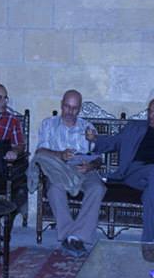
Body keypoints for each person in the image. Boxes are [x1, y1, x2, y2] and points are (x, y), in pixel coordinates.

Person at [88, 96, 154, 243]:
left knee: (150, 194)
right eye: (149, 111)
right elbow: (114, 142)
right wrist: (95, 139)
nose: (151, 115)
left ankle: (146, 243)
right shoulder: (134, 127)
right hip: (135, 173)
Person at [32, 89, 105, 257]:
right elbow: (40, 152)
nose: (70, 111)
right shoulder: (49, 124)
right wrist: (60, 155)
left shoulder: (88, 127)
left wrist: (90, 166)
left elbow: (99, 159)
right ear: (61, 105)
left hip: (83, 169)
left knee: (98, 188)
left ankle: (73, 237)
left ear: (79, 109)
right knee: (54, 189)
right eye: (67, 106)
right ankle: (73, 237)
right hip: (58, 169)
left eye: (74, 108)